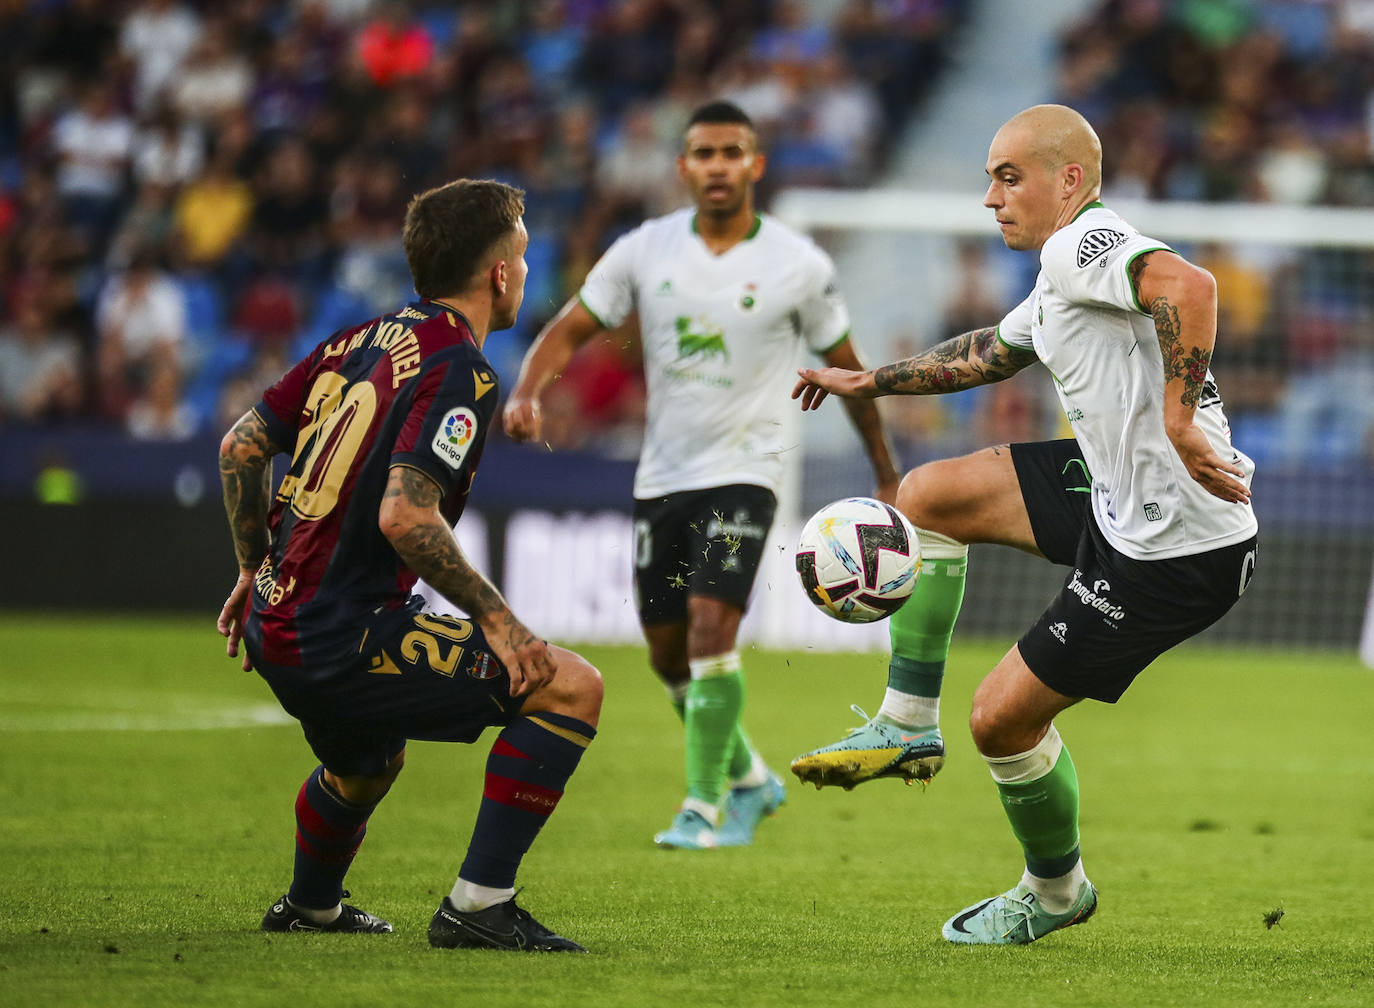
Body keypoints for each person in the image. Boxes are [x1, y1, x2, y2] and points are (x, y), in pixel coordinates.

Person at [789, 104, 1258, 944]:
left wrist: (1180, 418)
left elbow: (1191, 286)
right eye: (988, 179)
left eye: (1009, 177)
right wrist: (875, 382)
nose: (990, 197)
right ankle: (903, 723)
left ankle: (1055, 892)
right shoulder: (1058, 273)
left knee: (1000, 721)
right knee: (927, 496)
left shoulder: (1086, 244)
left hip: (1173, 546)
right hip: (1120, 496)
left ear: (1069, 181)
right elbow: (990, 351)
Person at [502, 100, 901, 850]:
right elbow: (570, 328)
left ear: (755, 164)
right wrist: (528, 389)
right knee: (666, 653)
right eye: (704, 153)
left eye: (732, 152)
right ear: (683, 167)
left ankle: (704, 806)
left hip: (746, 474)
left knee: (713, 628)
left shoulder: (797, 264)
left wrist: (884, 467)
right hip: (663, 478)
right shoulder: (644, 251)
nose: (718, 165)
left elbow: (850, 370)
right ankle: (751, 777)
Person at [216, 178, 603, 952]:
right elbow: (405, 514)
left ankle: (311, 907)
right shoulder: (460, 367)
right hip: (340, 632)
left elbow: (241, 446)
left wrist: (255, 566)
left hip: (273, 620)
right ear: (499, 274)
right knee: (567, 685)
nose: (526, 270)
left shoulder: (353, 341)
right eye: (523, 255)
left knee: (367, 762)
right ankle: (479, 906)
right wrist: (501, 622)